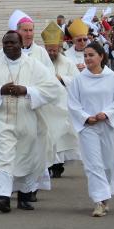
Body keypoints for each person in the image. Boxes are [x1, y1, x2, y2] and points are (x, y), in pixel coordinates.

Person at [0, 31, 63, 213]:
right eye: (5, 43)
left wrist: (26, 90)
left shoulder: (34, 66)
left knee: (26, 156)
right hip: (0, 120)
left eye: (12, 43)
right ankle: (2, 196)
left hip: (28, 121)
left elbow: (53, 89)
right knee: (1, 156)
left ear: (21, 44)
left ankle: (25, 195)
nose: (9, 46)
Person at [67, 42, 114, 217]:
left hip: (109, 126)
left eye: (91, 55)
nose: (87, 58)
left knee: (108, 164)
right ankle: (99, 201)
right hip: (88, 127)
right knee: (93, 164)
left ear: (101, 56)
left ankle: (105, 195)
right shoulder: (78, 80)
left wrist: (107, 114)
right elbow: (72, 103)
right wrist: (86, 117)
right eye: (85, 55)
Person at [41, 22, 81, 178]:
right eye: (49, 50)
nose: (52, 53)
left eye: (54, 50)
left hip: (62, 104)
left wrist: (61, 78)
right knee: (48, 135)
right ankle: (49, 164)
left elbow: (77, 81)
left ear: (59, 48)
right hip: (46, 105)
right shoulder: (39, 62)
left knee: (61, 136)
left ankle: (58, 164)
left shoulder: (68, 63)